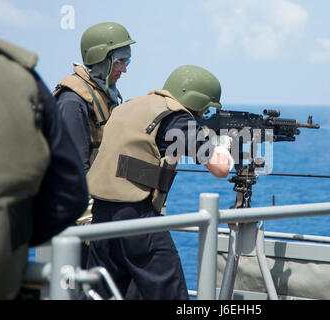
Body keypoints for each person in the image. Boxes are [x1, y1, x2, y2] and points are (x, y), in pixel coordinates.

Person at [85, 65, 233, 299]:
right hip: (137, 217)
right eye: (205, 110)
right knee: (170, 293)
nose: (204, 115)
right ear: (194, 100)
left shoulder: (130, 106)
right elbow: (220, 168)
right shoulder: (177, 117)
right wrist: (223, 145)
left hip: (102, 214)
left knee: (99, 293)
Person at [0, 38, 89, 299]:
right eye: (122, 61)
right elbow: (70, 191)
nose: (125, 69)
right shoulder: (22, 79)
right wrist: (12, 240)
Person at [54, 22, 136, 174]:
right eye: (119, 62)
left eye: (127, 62)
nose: (124, 70)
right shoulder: (72, 101)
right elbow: (74, 167)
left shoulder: (103, 94)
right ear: (101, 59)